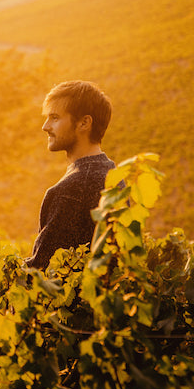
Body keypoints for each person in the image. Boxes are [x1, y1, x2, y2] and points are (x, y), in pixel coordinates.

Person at [25, 80, 115, 270]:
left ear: (84, 123)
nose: (45, 126)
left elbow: (40, 272)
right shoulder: (113, 175)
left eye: (55, 117)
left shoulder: (72, 189)